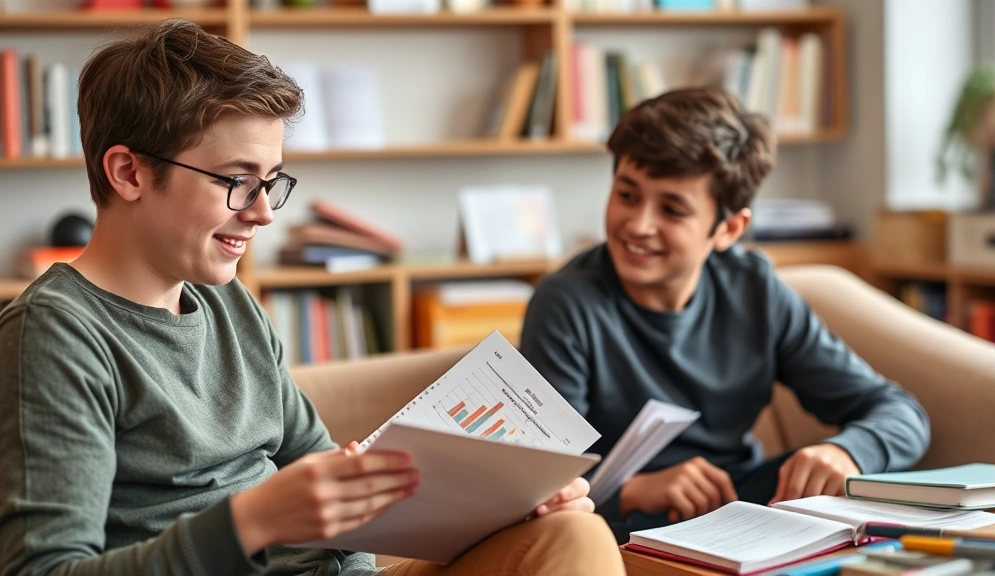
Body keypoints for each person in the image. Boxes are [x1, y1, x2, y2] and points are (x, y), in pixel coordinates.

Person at [0, 19, 625, 576]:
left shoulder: (227, 303)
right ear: (128, 172)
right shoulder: (55, 334)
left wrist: (498, 502)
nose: (264, 214)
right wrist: (250, 524)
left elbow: (324, 472)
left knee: (566, 531)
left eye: (271, 183)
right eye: (238, 182)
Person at [519, 87, 931, 543]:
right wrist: (635, 490)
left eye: (672, 209)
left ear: (729, 229)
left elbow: (900, 412)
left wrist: (846, 451)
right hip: (615, 528)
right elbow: (539, 487)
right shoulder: (565, 304)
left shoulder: (754, 290)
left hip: (737, 506)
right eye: (627, 194)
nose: (638, 224)